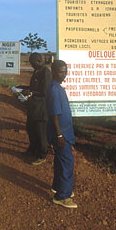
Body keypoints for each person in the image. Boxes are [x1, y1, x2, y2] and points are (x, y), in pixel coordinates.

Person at [45, 59, 77, 209]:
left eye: (65, 71)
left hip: (63, 132)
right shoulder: (53, 89)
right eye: (60, 71)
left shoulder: (57, 87)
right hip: (61, 134)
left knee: (60, 161)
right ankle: (62, 196)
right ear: (53, 71)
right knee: (67, 163)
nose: (63, 74)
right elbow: (54, 115)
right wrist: (59, 135)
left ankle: (58, 186)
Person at [20, 52, 52, 165]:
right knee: (31, 129)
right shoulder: (37, 71)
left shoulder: (45, 72)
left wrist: (31, 92)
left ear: (39, 61)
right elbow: (34, 87)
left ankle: (42, 154)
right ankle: (32, 150)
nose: (32, 65)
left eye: (33, 63)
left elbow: (45, 91)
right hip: (33, 106)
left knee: (40, 132)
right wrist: (23, 88)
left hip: (41, 107)